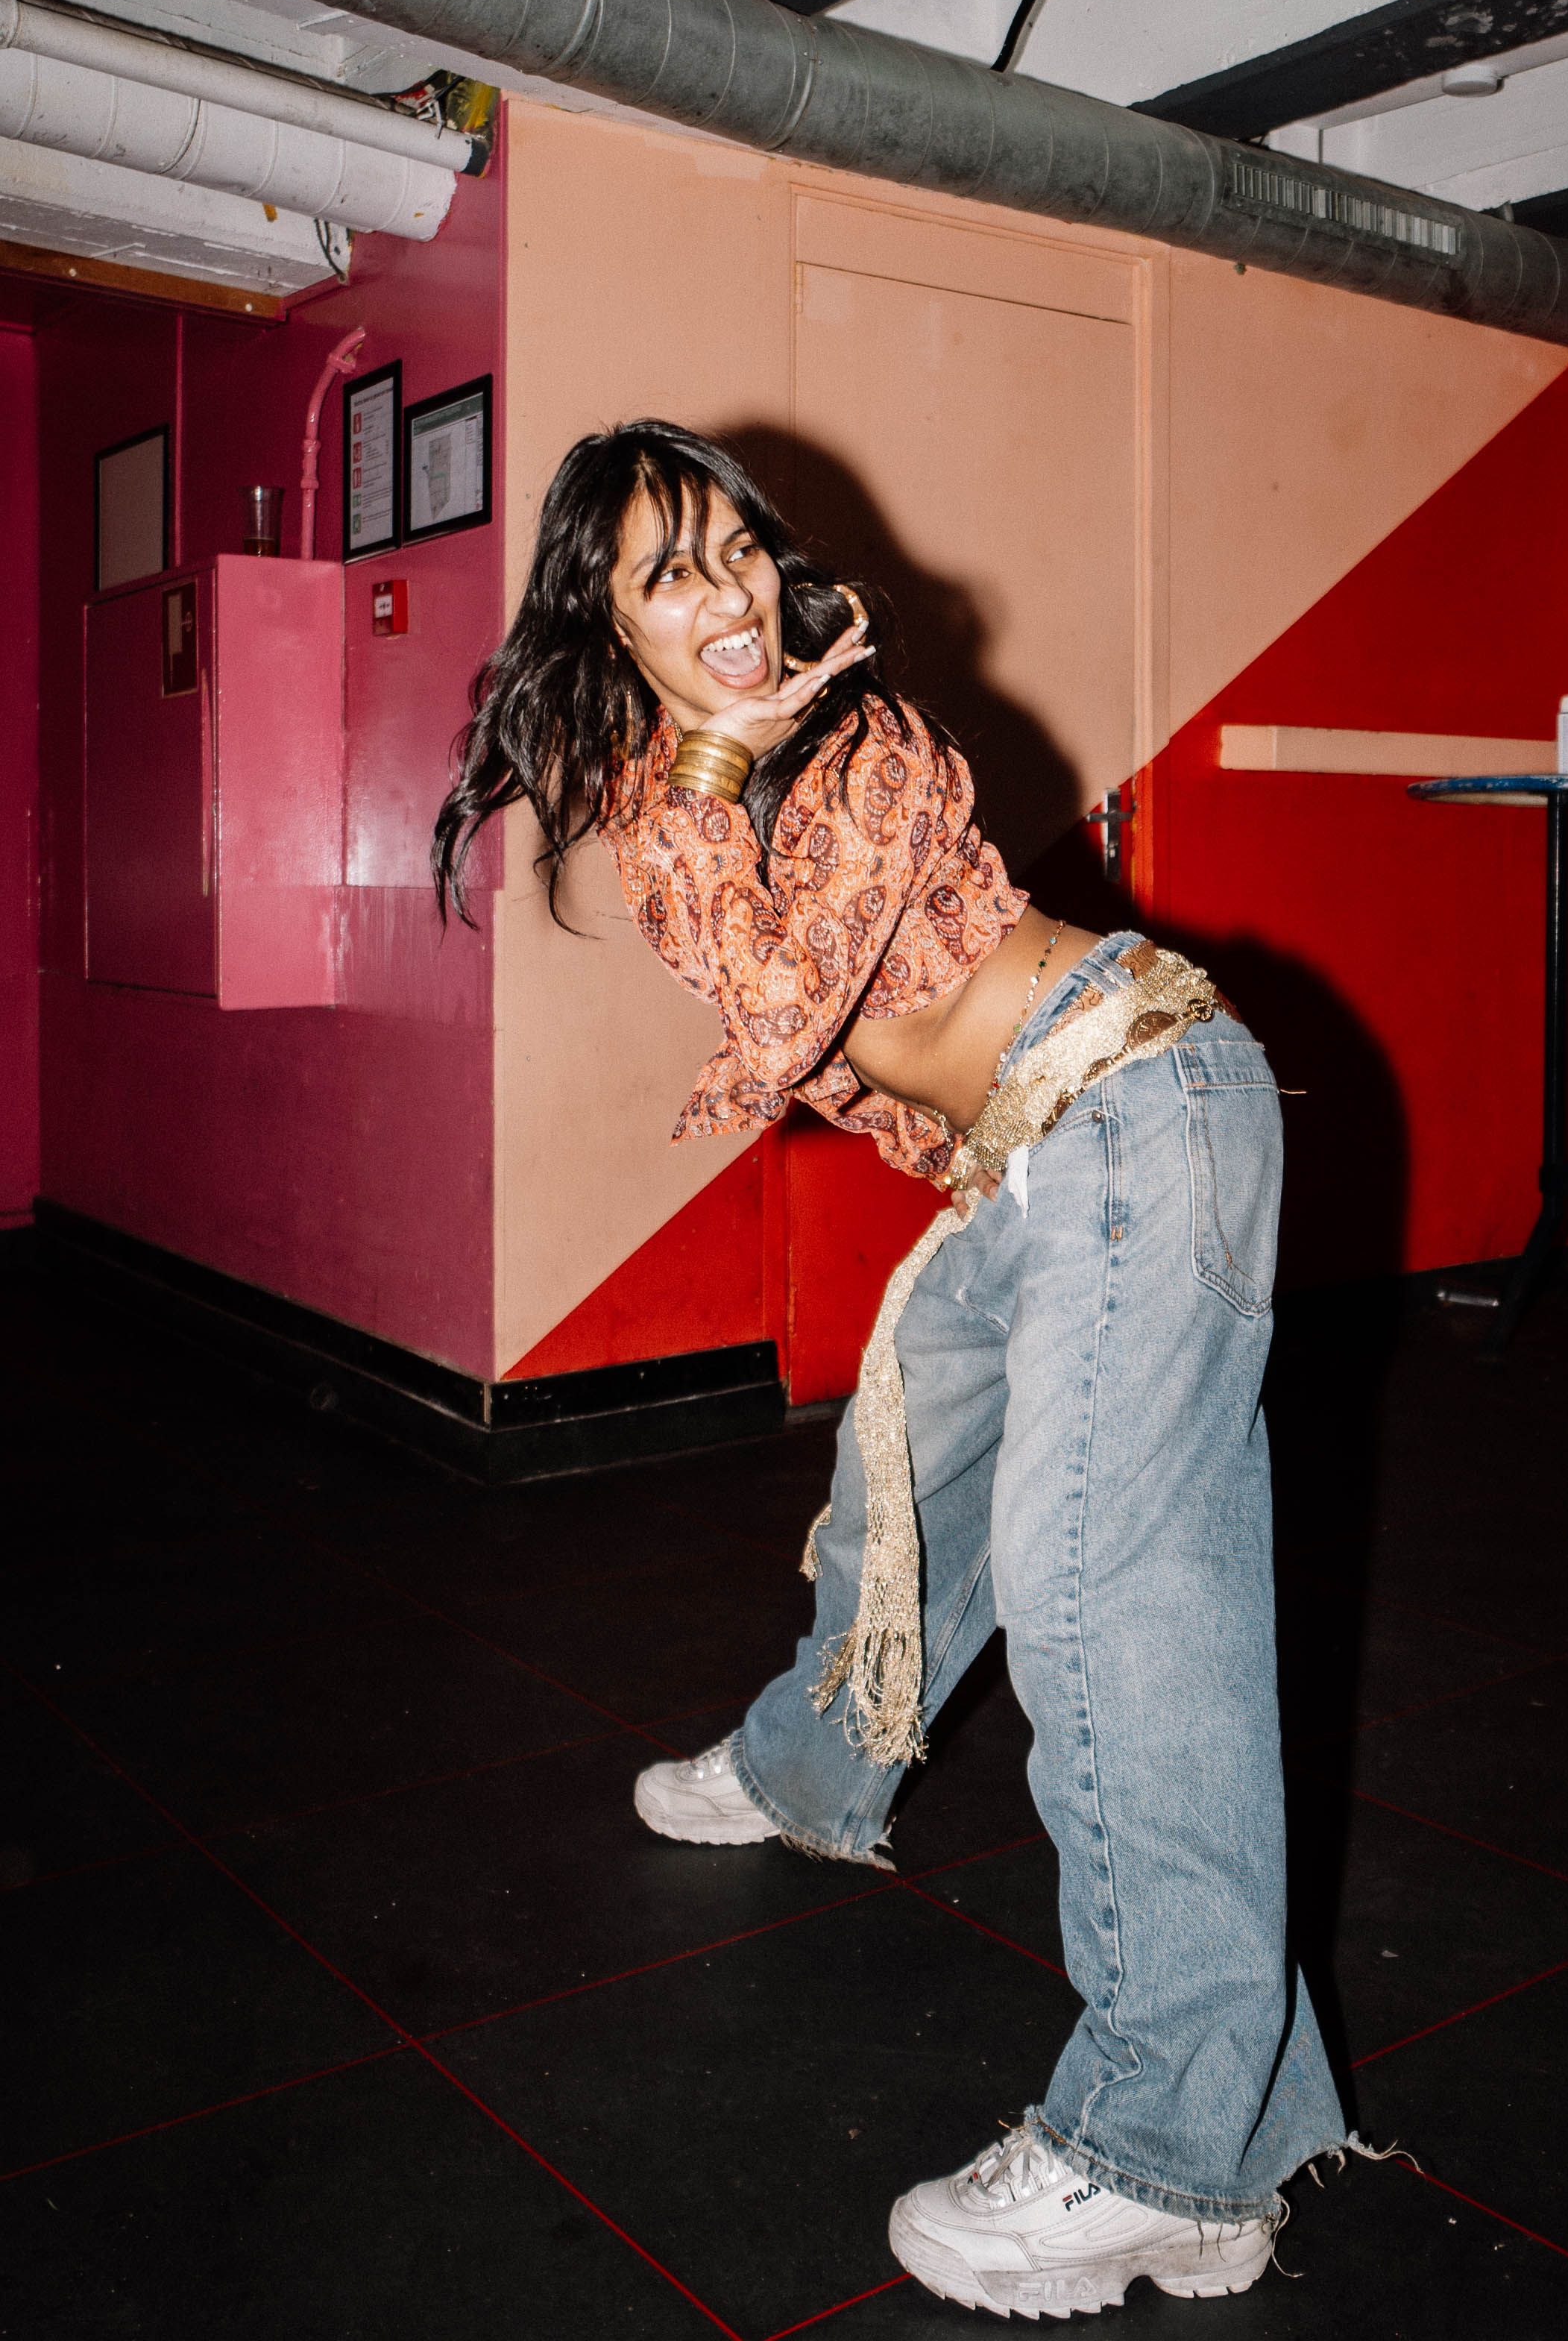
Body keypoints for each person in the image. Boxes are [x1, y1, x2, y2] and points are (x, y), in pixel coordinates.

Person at [433, 420, 1348, 2315]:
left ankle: (1169, 2155)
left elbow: (780, 1017)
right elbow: (737, 948)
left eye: (733, 549)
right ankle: (802, 1770)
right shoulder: (670, 793)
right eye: (665, 573)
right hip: (1032, 1153)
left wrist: (736, 744)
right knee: (901, 1489)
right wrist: (710, 757)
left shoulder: (861, 734)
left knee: (1110, 1605)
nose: (724, 595)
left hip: (1132, 1101)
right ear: (606, 626)